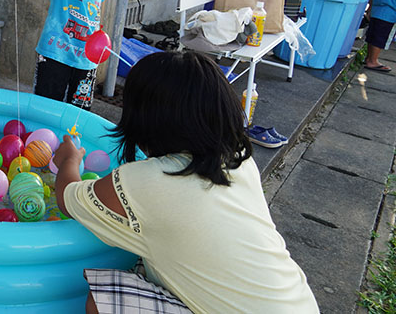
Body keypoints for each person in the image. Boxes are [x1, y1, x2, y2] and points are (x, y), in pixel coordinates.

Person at [54, 51, 319, 314]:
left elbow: (68, 197)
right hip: (299, 303)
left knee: (104, 301)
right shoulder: (239, 160)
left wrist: (69, 160)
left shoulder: (145, 182)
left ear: (146, 120)